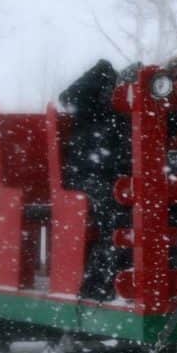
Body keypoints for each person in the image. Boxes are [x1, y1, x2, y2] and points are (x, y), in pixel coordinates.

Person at [59, 59, 131, 300]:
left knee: (145, 209)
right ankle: (101, 282)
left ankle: (121, 278)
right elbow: (68, 97)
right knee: (116, 214)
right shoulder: (91, 108)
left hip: (120, 180)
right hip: (88, 178)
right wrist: (103, 69)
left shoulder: (130, 115)